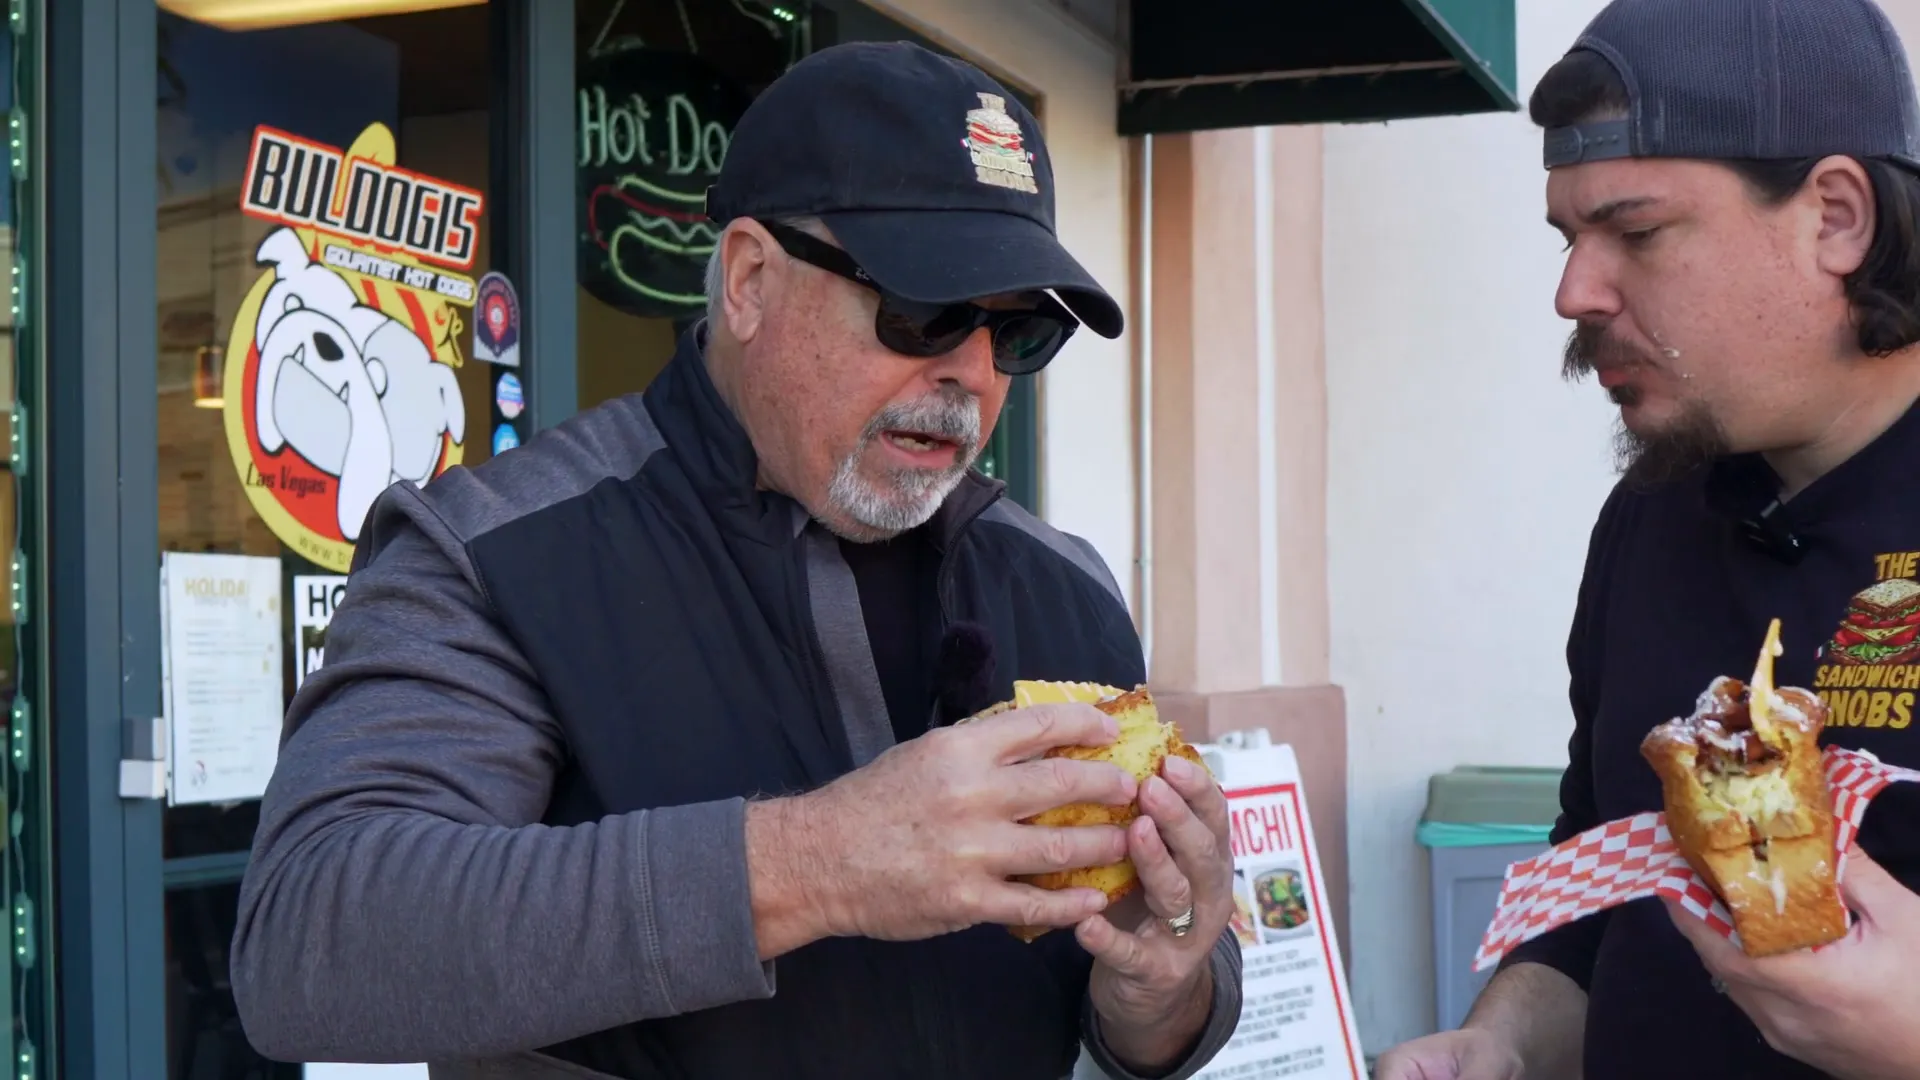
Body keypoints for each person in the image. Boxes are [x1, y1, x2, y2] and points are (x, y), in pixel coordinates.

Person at [229, 40, 1244, 1080]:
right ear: (752, 279)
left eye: (1018, 331)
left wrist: (1162, 988)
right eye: (925, 311)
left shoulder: (1062, 583)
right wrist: (813, 863)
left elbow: (1148, 1023)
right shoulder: (496, 549)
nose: (972, 373)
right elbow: (310, 942)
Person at [1375, 1, 1920, 1078]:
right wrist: (1504, 1043)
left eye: (1636, 231)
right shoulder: (1655, 512)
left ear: (1838, 218)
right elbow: (1601, 856)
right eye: (1569, 238)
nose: (1575, 292)